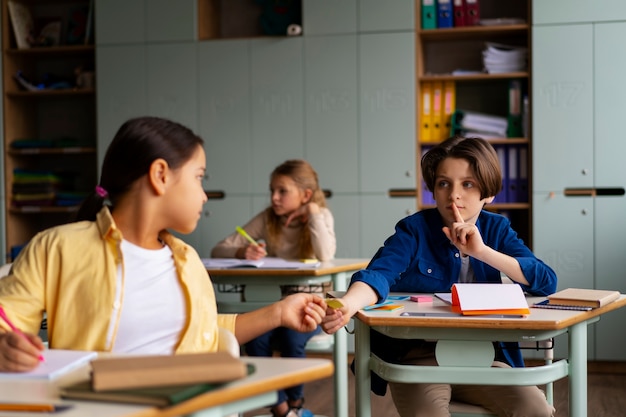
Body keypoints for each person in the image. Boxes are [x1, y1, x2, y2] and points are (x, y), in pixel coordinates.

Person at [0, 116, 326, 373]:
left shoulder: (186, 260)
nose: (203, 194)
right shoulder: (56, 248)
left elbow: (206, 333)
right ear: (160, 175)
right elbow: (7, 317)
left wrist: (280, 312)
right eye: (199, 178)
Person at [321, 136, 558, 417]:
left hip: (484, 357)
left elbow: (545, 280)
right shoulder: (414, 230)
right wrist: (348, 304)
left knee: (536, 410)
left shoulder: (498, 229)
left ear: (489, 192)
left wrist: (482, 252)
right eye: (444, 183)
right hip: (420, 359)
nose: (453, 195)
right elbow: (378, 275)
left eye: (467, 184)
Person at [211, 159, 336, 417]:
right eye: (272, 190)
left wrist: (312, 212)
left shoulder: (320, 215)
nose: (274, 198)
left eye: (282, 191)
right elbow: (218, 249)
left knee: (291, 339)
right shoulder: (268, 218)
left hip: (311, 308)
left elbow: (326, 253)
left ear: (306, 195)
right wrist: (241, 251)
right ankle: (281, 409)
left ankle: (296, 405)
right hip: (275, 307)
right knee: (255, 339)